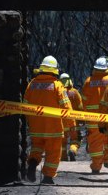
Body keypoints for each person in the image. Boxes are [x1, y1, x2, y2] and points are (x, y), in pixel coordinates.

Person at [23, 55, 74, 184]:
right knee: (53, 152)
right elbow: (66, 106)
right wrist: (71, 123)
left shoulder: (32, 84)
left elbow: (25, 105)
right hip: (53, 128)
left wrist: (30, 121)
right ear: (54, 70)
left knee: (37, 147)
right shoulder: (57, 85)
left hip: (36, 126)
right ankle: (48, 177)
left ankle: (33, 163)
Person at [81, 56, 108, 174]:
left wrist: (84, 116)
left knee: (95, 143)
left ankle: (95, 167)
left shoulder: (88, 81)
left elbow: (83, 101)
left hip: (92, 119)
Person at [59, 73, 83, 161]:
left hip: (61, 122)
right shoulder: (75, 92)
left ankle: (63, 157)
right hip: (73, 122)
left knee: (62, 141)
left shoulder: (58, 91)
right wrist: (81, 120)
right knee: (75, 139)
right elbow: (80, 107)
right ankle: (73, 150)